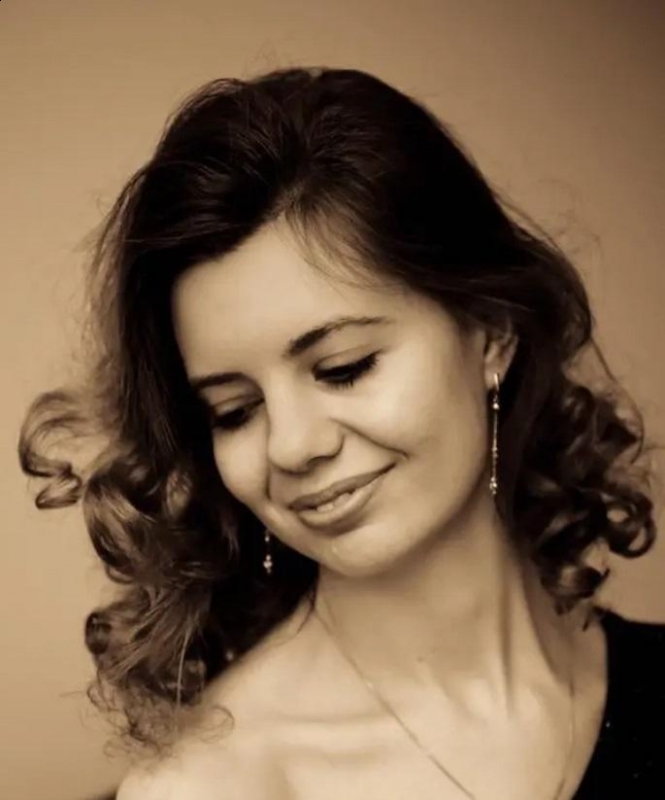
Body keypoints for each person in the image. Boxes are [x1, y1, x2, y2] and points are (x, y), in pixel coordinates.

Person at [18, 66, 664, 800]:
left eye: (343, 368)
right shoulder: (217, 787)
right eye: (235, 411)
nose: (292, 448)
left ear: (491, 330)